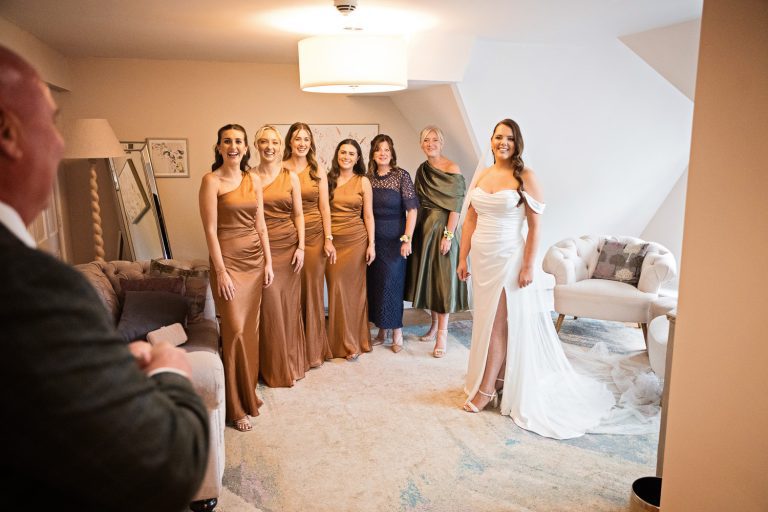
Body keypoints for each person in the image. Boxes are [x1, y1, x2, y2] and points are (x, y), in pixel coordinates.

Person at [0, 45, 210, 509]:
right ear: (7, 133)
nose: (59, 143)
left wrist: (106, 360)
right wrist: (171, 371)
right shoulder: (32, 287)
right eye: (52, 122)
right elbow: (169, 463)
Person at [457, 119, 614, 439]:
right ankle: (498, 379)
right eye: (498, 137)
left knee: (499, 324)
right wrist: (462, 257)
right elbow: (471, 217)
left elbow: (535, 226)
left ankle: (486, 391)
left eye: (509, 138)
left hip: (508, 259)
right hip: (482, 260)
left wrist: (528, 266)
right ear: (490, 141)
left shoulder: (525, 176)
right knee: (486, 322)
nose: (503, 143)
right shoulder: (484, 173)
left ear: (518, 143)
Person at [200, 123, 274, 432]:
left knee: (251, 331)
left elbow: (261, 225)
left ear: (246, 148)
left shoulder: (252, 179)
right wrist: (221, 272)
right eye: (227, 141)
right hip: (228, 263)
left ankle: (248, 392)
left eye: (239, 141)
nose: (233, 146)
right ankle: (235, 406)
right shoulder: (211, 181)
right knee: (235, 331)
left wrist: (268, 262)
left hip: (255, 262)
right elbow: (210, 231)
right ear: (218, 147)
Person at [405, 126, 469, 357]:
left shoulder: (453, 168)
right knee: (431, 282)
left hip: (444, 230)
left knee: (442, 283)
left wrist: (449, 236)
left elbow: (456, 206)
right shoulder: (421, 169)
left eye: (434, 140)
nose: (430, 143)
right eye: (426, 140)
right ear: (421, 144)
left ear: (441, 143)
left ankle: (442, 334)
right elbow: (416, 202)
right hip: (425, 230)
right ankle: (433, 326)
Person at [253, 125, 307, 386]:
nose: (269, 147)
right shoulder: (248, 176)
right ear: (256, 146)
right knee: (270, 308)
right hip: (262, 248)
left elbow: (298, 214)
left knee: (288, 306)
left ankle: (292, 364)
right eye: (264, 142)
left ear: (280, 145)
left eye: (274, 142)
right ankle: (273, 368)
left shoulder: (291, 176)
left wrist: (302, 247)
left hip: (289, 248)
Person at [283, 122, 334, 367]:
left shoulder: (318, 169)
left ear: (310, 143)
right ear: (290, 142)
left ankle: (313, 351)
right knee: (291, 292)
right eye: (297, 138)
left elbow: (325, 207)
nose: (302, 143)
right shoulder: (280, 169)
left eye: (306, 138)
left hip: (314, 237)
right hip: (287, 236)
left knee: (312, 292)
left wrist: (329, 238)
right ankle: (292, 349)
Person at [366, 134, 419, 353]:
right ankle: (381, 330)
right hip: (373, 240)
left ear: (392, 152)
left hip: (396, 241)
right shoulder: (367, 178)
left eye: (387, 149)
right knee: (376, 285)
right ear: (373, 153)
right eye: (379, 149)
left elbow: (412, 210)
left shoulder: (401, 176)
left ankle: (396, 330)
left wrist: (407, 239)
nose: (383, 153)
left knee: (392, 285)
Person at [326, 139, 375, 360]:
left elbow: (368, 215)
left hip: (356, 241)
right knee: (336, 289)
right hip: (333, 242)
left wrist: (372, 244)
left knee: (355, 293)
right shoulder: (328, 180)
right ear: (337, 155)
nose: (346, 156)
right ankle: (336, 342)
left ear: (357, 158)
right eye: (343, 152)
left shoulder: (363, 181)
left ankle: (353, 343)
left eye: (351, 153)